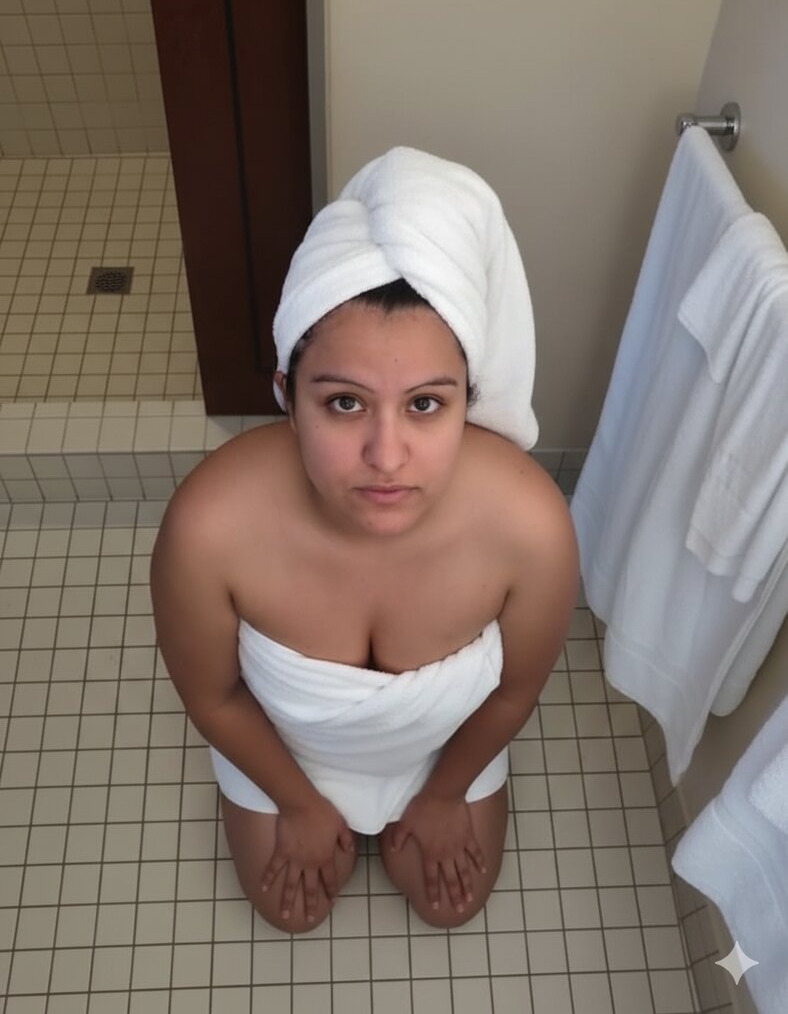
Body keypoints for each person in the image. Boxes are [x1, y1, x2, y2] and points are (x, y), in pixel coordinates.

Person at [150, 147, 578, 934]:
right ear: (287, 396)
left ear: (468, 400)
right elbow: (213, 695)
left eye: (425, 405)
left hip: (443, 749)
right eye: (345, 403)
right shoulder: (209, 527)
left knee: (450, 908)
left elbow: (514, 691)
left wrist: (444, 794)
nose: (386, 456)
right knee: (290, 914)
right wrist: (299, 804)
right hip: (285, 750)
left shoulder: (530, 526)